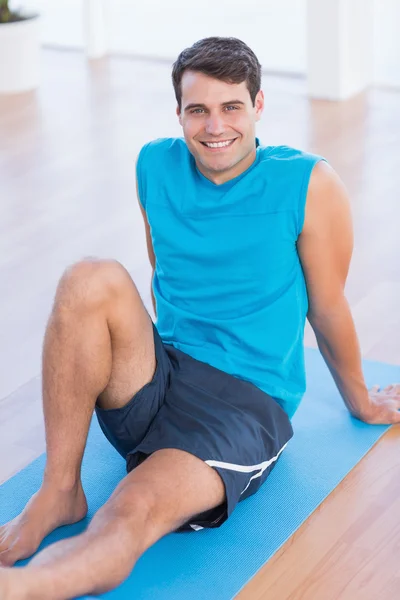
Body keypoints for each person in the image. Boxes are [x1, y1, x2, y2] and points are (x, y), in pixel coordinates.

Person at [0, 36, 399, 600]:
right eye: (198, 110)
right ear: (180, 113)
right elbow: (164, 274)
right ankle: (59, 489)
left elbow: (327, 303)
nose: (215, 126)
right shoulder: (154, 164)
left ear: (258, 105)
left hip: (242, 407)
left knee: (130, 511)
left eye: (231, 107)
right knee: (90, 275)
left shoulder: (309, 184)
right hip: (163, 372)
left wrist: (361, 401)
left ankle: (19, 590)